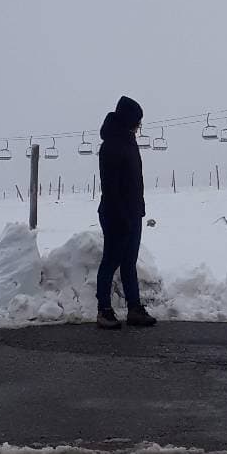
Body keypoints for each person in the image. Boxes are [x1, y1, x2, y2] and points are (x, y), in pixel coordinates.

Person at [96, 96, 156, 329]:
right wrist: (120, 216)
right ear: (128, 119)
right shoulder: (111, 145)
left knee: (129, 262)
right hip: (115, 214)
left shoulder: (128, 141)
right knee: (111, 261)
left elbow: (133, 181)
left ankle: (134, 309)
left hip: (132, 212)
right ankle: (104, 311)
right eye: (137, 122)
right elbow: (110, 186)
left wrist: (138, 210)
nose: (138, 127)